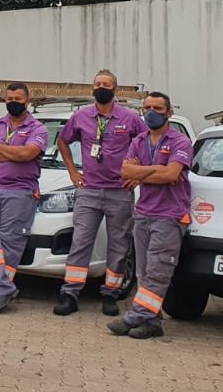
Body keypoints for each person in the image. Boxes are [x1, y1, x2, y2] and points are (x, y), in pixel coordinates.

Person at [54, 70, 149, 317]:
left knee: (119, 245)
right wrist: (73, 172)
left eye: (106, 84)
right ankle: (70, 293)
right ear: (92, 88)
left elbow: (147, 145)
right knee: (80, 242)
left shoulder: (130, 118)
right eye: (97, 84)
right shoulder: (81, 116)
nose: (101, 87)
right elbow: (62, 141)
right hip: (89, 191)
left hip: (120, 192)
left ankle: (110, 294)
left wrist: (137, 176)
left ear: (115, 89)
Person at [108, 91, 193, 340]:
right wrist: (157, 169)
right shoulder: (139, 140)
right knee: (143, 274)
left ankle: (135, 317)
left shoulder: (179, 142)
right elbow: (125, 171)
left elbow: (171, 175)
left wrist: (142, 173)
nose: (151, 112)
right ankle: (152, 322)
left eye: (157, 108)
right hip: (143, 213)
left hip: (169, 216)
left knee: (157, 272)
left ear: (169, 112)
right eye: (147, 107)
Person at [0, 83, 49, 314]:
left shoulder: (38, 128)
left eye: (18, 98)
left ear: (27, 101)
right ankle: (4, 287)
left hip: (20, 191)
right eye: (9, 98)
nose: (13, 102)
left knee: (10, 243)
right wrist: (12, 153)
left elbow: (28, 154)